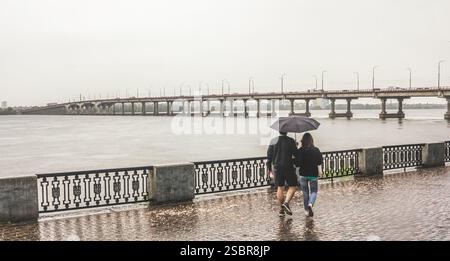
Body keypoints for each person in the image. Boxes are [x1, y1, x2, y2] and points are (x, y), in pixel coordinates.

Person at [267, 131, 298, 217]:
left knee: (280, 187)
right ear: (287, 131)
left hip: (277, 168)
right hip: (288, 167)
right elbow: (296, 154)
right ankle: (286, 203)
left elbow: (269, 157)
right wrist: (296, 146)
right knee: (293, 186)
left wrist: (269, 169)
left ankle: (281, 210)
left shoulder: (273, 141)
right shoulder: (291, 141)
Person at [295, 133, 323, 217]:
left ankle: (306, 211)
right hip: (313, 174)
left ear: (302, 141)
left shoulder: (300, 150)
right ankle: (310, 204)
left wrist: (297, 153)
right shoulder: (316, 150)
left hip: (303, 175)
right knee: (314, 191)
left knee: (305, 193)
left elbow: (297, 164)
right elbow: (320, 162)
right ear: (311, 140)